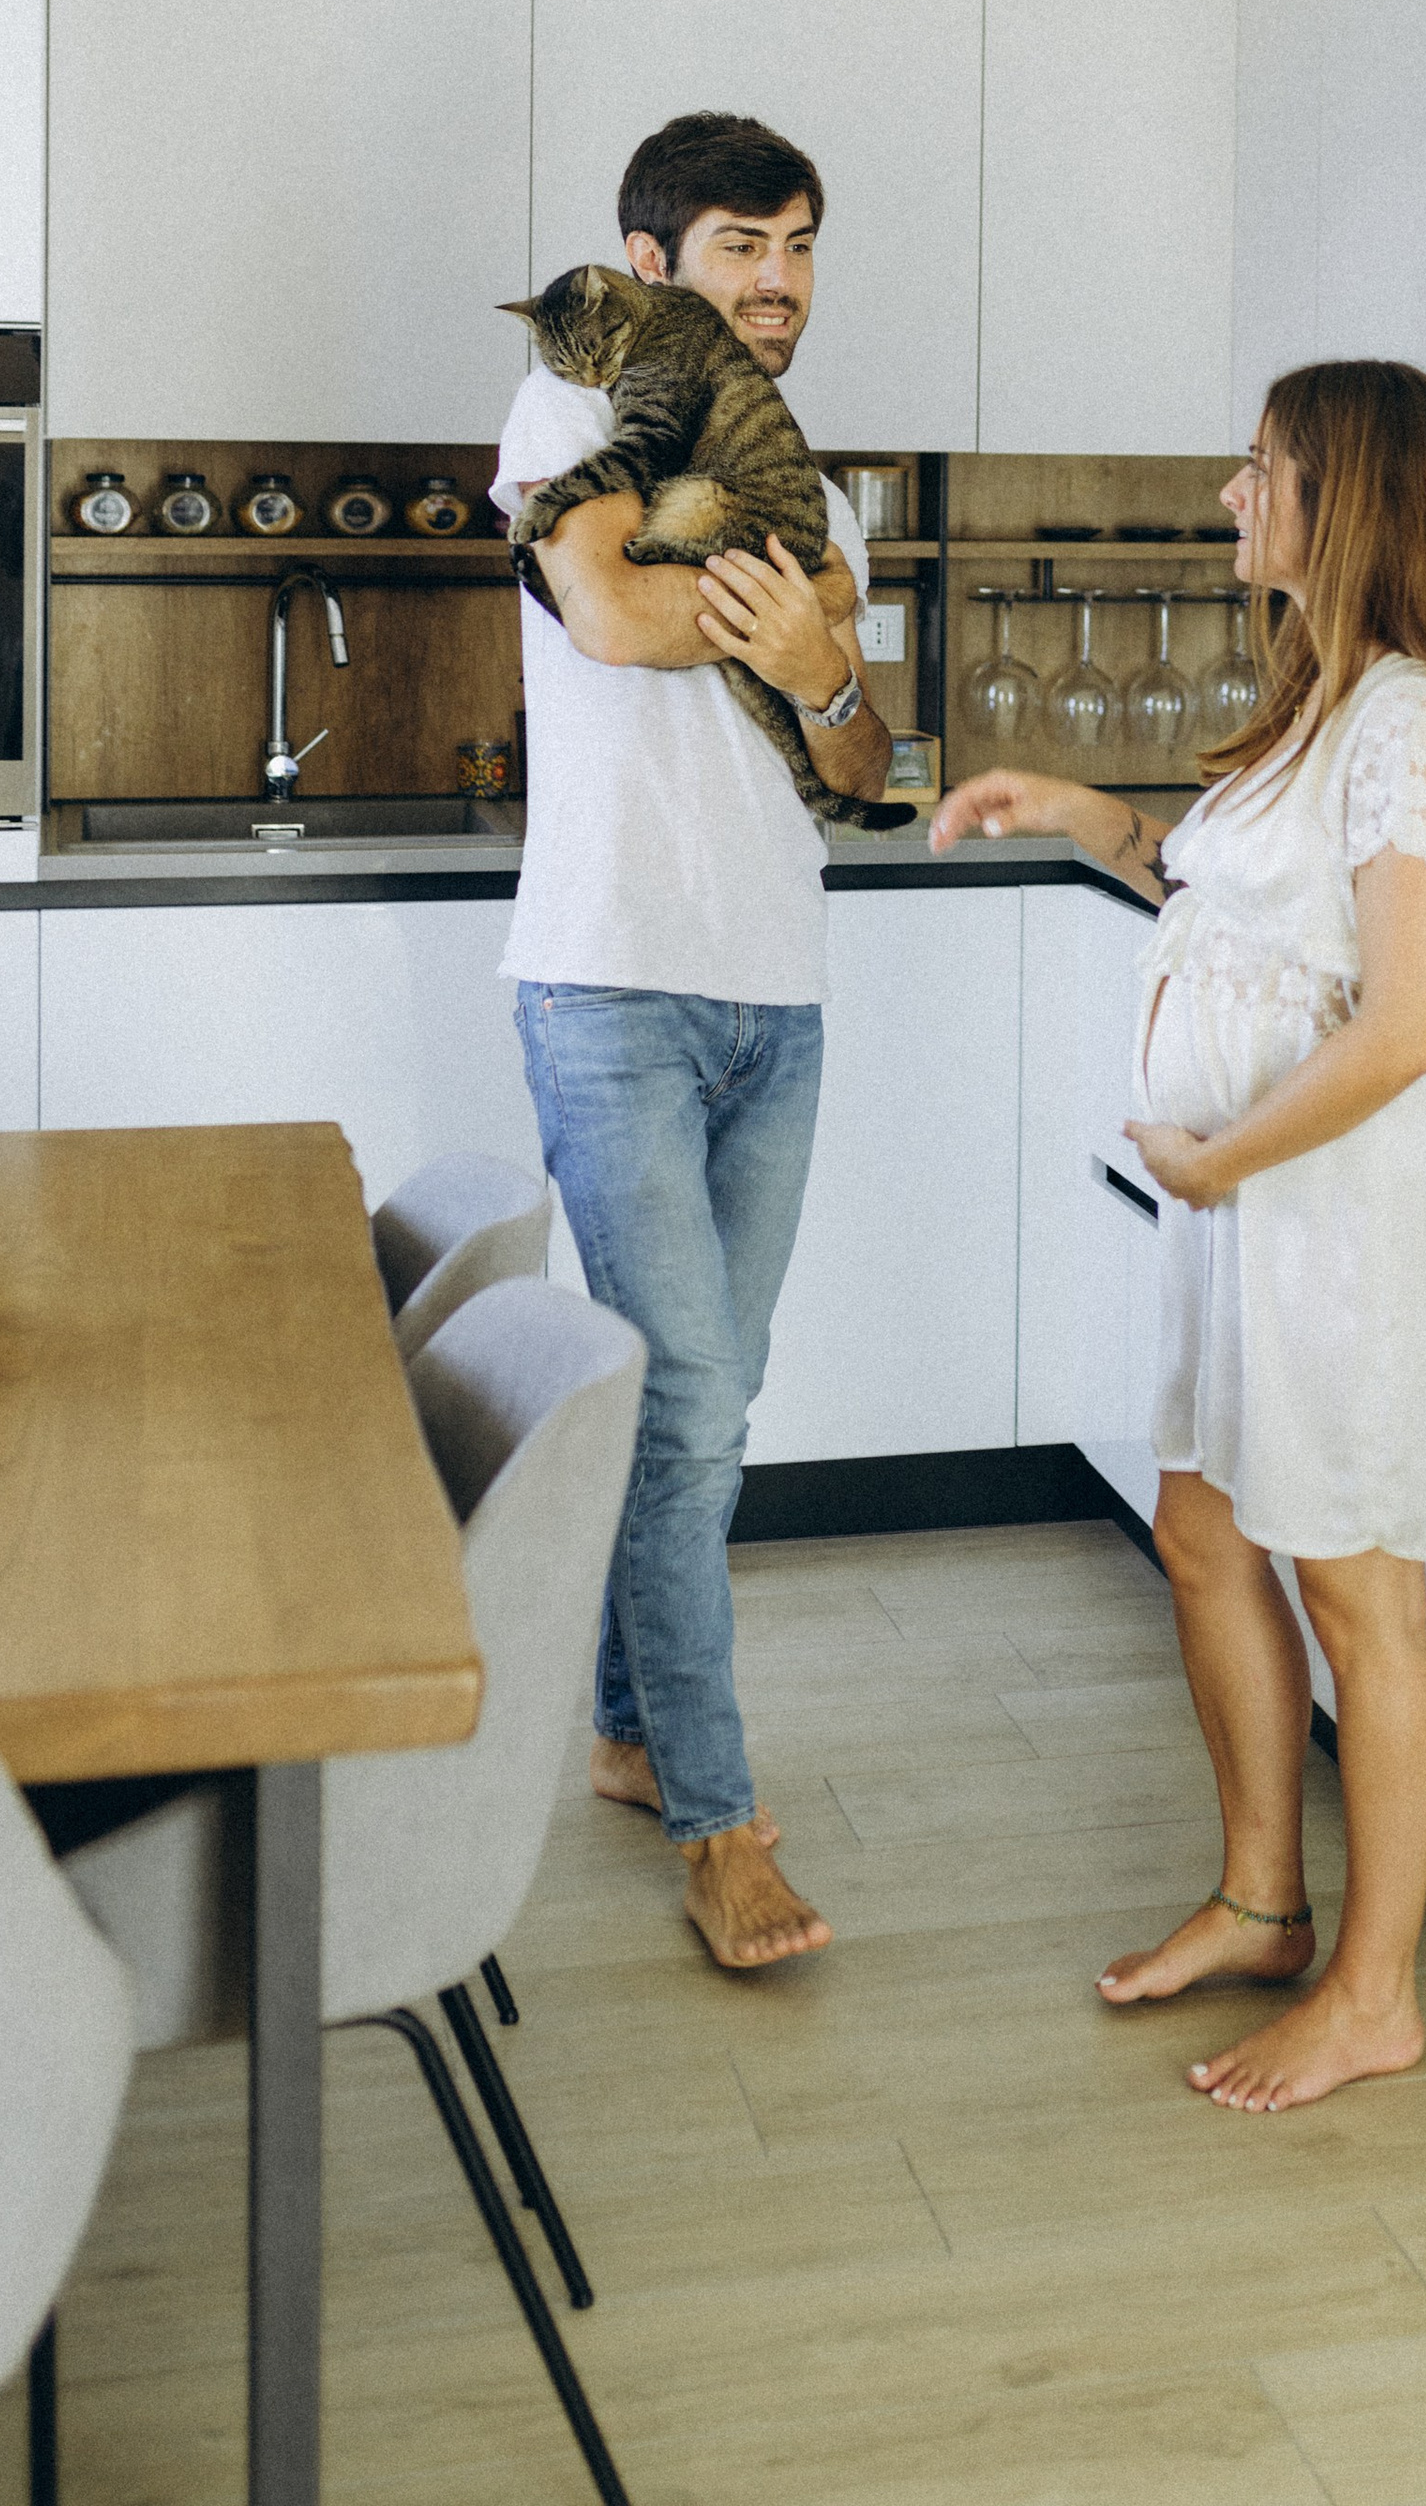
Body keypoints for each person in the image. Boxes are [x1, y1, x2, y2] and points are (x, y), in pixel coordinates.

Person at [933, 358, 1426, 2111]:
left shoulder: (1414, 716)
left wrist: (1220, 1165)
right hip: (1254, 1201)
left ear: (1336, 498)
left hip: (1337, 1208)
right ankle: (1266, 1902)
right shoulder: (1315, 697)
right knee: (1206, 1530)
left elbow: (1401, 1023)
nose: (1227, 495)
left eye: (1257, 469)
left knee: (1360, 1594)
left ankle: (1375, 1993)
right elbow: (1236, 913)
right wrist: (1072, 810)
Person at [494, 111, 894, 1972]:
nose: (782, 280)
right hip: (612, 986)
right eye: (744, 244)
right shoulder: (561, 415)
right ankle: (724, 1828)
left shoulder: (827, 491)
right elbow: (609, 609)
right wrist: (782, 631)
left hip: (777, 999)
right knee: (690, 1410)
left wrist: (821, 668)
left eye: (802, 245)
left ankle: (628, 1730)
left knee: (702, 1412)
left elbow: (860, 755)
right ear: (650, 262)